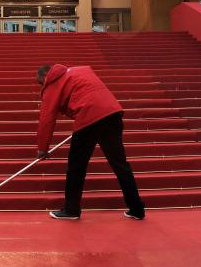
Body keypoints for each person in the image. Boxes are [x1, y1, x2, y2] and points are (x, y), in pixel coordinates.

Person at [36, 64, 145, 220]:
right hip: (112, 113)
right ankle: (137, 208)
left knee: (76, 166)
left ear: (46, 76)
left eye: (40, 83)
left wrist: (42, 148)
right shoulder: (81, 71)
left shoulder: (53, 85)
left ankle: (71, 209)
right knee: (120, 164)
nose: (42, 87)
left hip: (89, 118)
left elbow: (47, 118)